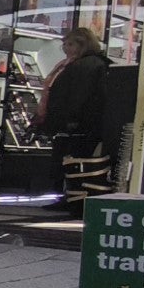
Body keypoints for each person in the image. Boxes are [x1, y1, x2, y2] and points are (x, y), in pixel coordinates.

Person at [39, 26, 111, 214]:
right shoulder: (85, 64)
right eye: (64, 44)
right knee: (71, 162)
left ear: (83, 45)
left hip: (78, 125)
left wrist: (70, 118)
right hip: (79, 124)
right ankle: (72, 197)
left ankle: (76, 200)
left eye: (70, 44)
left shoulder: (84, 66)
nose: (65, 48)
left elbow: (78, 96)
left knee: (75, 162)